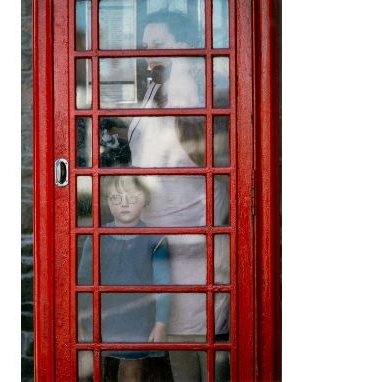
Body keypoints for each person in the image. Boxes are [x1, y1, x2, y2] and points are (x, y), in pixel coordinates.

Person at [125, 10, 231, 382]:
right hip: (152, 243)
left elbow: (214, 157)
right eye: (145, 45)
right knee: (168, 343)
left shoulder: (205, 90)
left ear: (185, 46)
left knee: (203, 343)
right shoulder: (155, 87)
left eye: (159, 44)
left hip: (195, 241)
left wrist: (185, 69)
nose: (149, 52)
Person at [78, 176, 171, 382]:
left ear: (145, 199)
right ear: (107, 202)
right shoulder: (95, 237)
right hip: (99, 319)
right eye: (116, 197)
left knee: (132, 373)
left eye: (132, 196)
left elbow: (163, 285)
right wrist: (80, 321)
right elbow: (83, 282)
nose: (124, 203)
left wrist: (160, 324)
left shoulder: (156, 239)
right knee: (95, 372)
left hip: (138, 320)